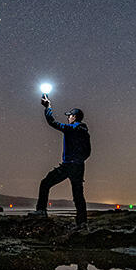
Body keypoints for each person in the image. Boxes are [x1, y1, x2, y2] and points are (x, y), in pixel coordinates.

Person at [31, 94, 90, 226]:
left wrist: (48, 107)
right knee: (78, 195)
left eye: (69, 116)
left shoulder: (71, 128)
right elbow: (88, 151)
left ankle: (41, 211)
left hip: (69, 165)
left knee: (45, 183)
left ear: (74, 117)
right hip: (79, 167)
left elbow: (52, 122)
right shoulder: (85, 131)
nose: (68, 118)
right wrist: (79, 161)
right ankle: (82, 223)